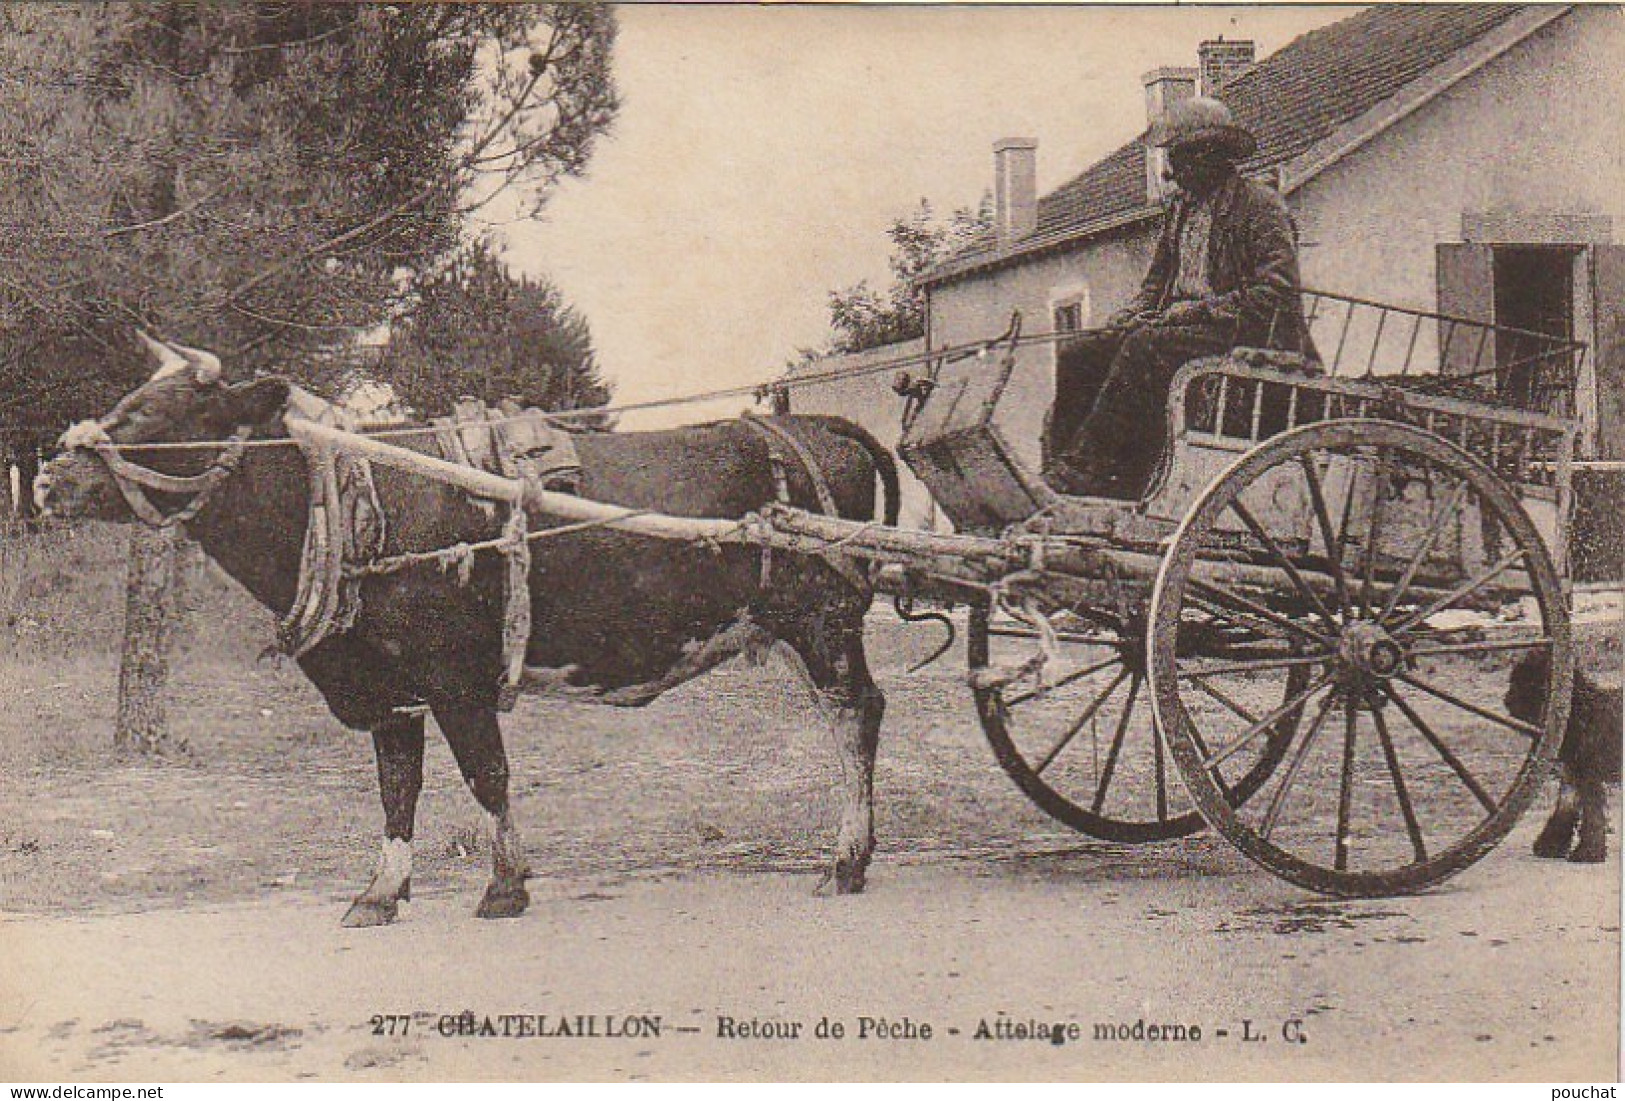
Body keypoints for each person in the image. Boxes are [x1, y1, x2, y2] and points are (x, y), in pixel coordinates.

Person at [1043, 97, 1313, 499]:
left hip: (1245, 333)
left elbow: (1276, 293)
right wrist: (1133, 312)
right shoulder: (1181, 210)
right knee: (1080, 353)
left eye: (1179, 159)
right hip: (1184, 330)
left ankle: (1092, 468)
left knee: (1144, 346)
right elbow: (1156, 283)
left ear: (1212, 156)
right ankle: (1061, 470)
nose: (1170, 173)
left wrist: (1201, 309)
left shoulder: (1261, 207)